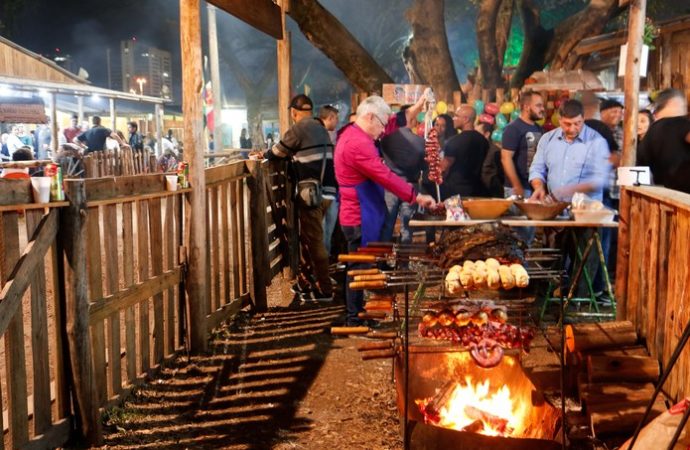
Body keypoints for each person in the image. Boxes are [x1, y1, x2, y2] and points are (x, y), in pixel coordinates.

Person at [335, 95, 435, 326]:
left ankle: (358, 314)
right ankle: (354, 319)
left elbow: (393, 122)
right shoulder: (358, 143)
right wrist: (415, 195)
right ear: (369, 117)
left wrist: (418, 106)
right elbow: (385, 176)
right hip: (358, 214)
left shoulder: (356, 132)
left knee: (360, 265)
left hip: (362, 210)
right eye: (380, 124)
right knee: (357, 267)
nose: (383, 131)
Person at [265, 94, 336, 303]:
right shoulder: (319, 127)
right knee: (308, 237)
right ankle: (304, 282)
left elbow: (276, 152)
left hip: (312, 195)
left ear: (293, 113)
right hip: (328, 193)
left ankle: (325, 290)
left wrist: (264, 154)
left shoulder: (299, 128)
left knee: (314, 242)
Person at [529, 99, 610, 202]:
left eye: (577, 123)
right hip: (556, 208)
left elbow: (600, 181)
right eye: (567, 124)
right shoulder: (547, 139)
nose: (572, 129)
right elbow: (537, 169)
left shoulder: (597, 142)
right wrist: (538, 187)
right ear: (559, 120)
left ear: (584, 118)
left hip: (586, 211)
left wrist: (565, 191)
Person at [380, 105, 425, 243]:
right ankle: (404, 262)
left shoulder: (386, 139)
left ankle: (382, 262)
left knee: (387, 225)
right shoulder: (420, 142)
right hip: (411, 185)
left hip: (390, 185)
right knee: (407, 226)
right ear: (411, 120)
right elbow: (424, 166)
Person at [638, 88, 690, 194]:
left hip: (663, 196)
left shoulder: (650, 133)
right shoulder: (685, 126)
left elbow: (640, 164)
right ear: (674, 102)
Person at [501, 91, 545, 199]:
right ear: (526, 107)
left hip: (534, 187)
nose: (542, 109)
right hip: (517, 188)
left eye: (542, 105)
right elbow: (506, 158)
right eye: (538, 105)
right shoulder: (513, 128)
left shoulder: (539, 129)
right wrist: (517, 185)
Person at [440, 105, 488, 199]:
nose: (453, 119)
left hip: (456, 192)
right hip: (478, 190)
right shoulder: (483, 140)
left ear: (466, 119)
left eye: (456, 116)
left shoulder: (454, 142)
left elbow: (444, 168)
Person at [317, 105, 340, 255]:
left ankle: (326, 264)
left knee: (325, 231)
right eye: (336, 118)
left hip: (325, 189)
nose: (337, 122)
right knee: (324, 231)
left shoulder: (317, 135)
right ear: (330, 117)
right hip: (325, 190)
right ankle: (324, 266)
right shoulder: (329, 136)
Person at [477, 122, 504, 198]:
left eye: (477, 133)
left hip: (491, 194)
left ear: (487, 134)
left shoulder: (495, 151)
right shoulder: (477, 148)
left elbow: (500, 175)